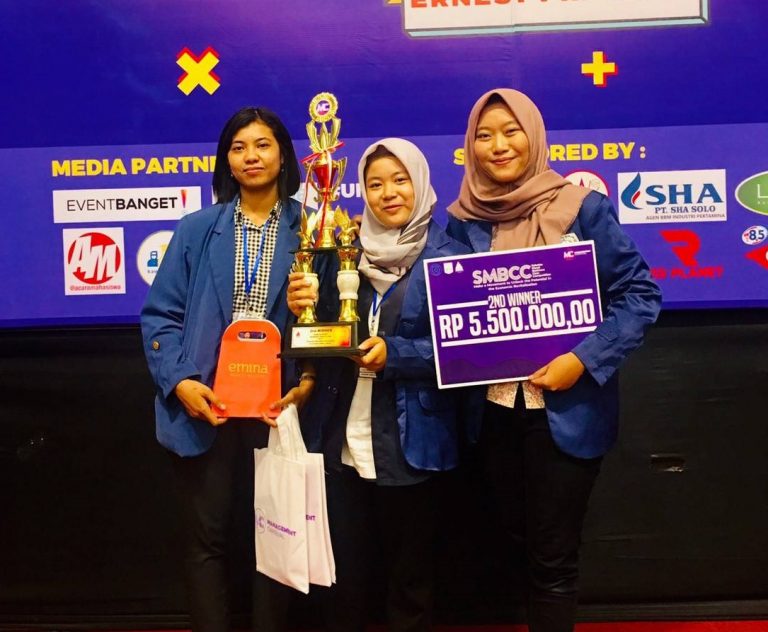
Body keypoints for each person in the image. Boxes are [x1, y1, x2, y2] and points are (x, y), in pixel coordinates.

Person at [446, 89, 662, 632]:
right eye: (484, 135)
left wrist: (582, 360)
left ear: (534, 136)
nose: (498, 145)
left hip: (565, 413)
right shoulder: (462, 221)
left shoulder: (582, 208)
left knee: (553, 557)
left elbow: (639, 295)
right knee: (512, 544)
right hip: (490, 415)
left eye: (510, 131)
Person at [287, 138, 482, 632]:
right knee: (344, 580)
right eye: (375, 184)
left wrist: (397, 355)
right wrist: (301, 309)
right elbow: (320, 331)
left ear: (421, 183)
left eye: (400, 180)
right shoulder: (342, 250)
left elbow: (465, 348)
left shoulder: (450, 256)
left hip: (412, 443)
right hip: (340, 440)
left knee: (409, 580)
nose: (388, 193)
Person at [140, 106, 314, 632]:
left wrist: (307, 382)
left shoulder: (314, 228)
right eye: (238, 147)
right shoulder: (197, 229)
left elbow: (330, 323)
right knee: (207, 544)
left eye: (262, 145)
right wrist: (181, 383)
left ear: (283, 155)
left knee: (277, 539)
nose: (250, 156)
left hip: (275, 409)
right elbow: (160, 317)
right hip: (207, 407)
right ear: (226, 160)